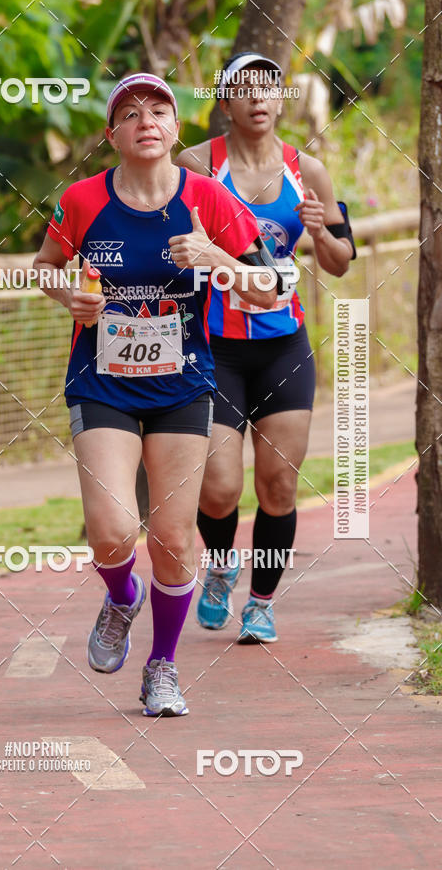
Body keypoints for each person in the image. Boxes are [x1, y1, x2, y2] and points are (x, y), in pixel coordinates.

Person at [33, 72, 278, 715]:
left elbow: (272, 290)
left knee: (173, 539)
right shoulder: (82, 200)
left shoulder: (209, 198)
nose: (146, 120)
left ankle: (162, 667)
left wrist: (214, 258)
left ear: (175, 129)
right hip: (103, 384)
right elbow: (44, 270)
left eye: (159, 110)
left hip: (183, 387)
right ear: (112, 134)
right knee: (112, 531)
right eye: (131, 113)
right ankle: (121, 597)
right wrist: (70, 295)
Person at [177, 52, 355, 642]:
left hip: (284, 347)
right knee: (219, 489)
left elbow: (341, 262)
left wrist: (320, 230)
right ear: (225, 102)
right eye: (244, 88)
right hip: (215, 347)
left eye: (268, 88)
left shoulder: (309, 170)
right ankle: (221, 565)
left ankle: (261, 602)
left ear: (281, 100)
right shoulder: (197, 165)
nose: (258, 97)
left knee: (278, 485)